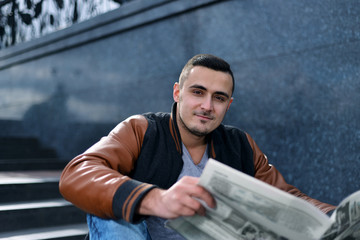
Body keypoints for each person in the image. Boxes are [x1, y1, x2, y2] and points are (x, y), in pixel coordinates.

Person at [59, 54, 336, 239]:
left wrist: (336, 217)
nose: (207, 106)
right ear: (177, 92)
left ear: (228, 105)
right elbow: (78, 172)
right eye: (198, 92)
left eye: (218, 98)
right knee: (114, 218)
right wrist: (155, 199)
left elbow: (286, 199)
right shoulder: (142, 129)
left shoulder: (239, 144)